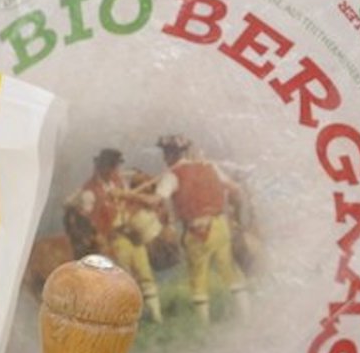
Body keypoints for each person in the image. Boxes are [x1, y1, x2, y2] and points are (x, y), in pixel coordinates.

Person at [154, 135, 249, 326]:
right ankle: (246, 317)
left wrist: (127, 195)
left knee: (198, 276)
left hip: (197, 231)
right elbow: (235, 190)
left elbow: (156, 200)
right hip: (220, 226)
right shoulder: (210, 166)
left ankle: (203, 327)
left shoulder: (172, 175)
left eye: (165, 153)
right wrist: (235, 216)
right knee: (228, 270)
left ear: (171, 154)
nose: (164, 158)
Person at [64, 149, 163, 323]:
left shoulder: (119, 181)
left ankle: (157, 317)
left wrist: (128, 196)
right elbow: (87, 218)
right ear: (103, 167)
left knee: (145, 272)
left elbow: (132, 185)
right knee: (125, 279)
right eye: (113, 166)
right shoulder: (90, 192)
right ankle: (127, 320)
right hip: (114, 239)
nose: (116, 170)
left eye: (116, 166)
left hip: (132, 233)